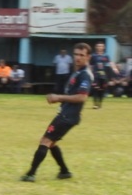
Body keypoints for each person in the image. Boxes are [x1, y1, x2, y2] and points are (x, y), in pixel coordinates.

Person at [21, 42, 92, 182]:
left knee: (45, 140)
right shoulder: (77, 72)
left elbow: (82, 97)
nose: (78, 58)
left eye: (82, 55)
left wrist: (59, 97)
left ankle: (31, 173)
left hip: (68, 116)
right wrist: (60, 100)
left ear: (88, 57)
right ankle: (64, 171)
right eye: (76, 54)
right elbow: (73, 94)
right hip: (67, 114)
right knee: (52, 142)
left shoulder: (85, 75)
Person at [89, 42, 118, 109]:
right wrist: (90, 73)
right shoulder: (93, 56)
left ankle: (100, 104)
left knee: (102, 90)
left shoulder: (106, 56)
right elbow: (90, 65)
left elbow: (110, 63)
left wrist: (114, 68)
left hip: (103, 75)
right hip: (96, 75)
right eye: (98, 46)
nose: (99, 47)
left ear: (103, 47)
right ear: (96, 47)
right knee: (96, 89)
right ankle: (95, 104)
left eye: (101, 46)